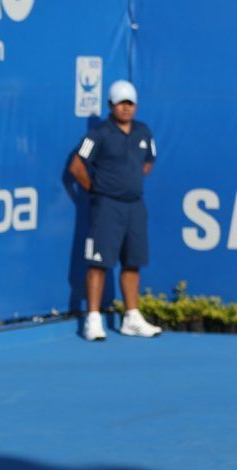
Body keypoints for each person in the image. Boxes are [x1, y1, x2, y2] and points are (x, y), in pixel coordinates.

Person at [68, 79, 162, 341]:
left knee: (132, 263)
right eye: (121, 103)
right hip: (106, 207)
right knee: (98, 264)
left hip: (135, 206)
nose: (126, 108)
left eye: (130, 103)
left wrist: (128, 182)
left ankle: (131, 317)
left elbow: (148, 163)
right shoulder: (97, 134)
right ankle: (93, 320)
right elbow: (76, 167)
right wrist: (97, 190)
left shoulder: (144, 132)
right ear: (110, 105)